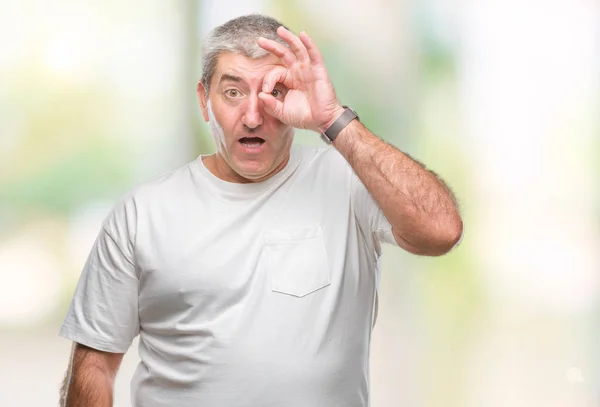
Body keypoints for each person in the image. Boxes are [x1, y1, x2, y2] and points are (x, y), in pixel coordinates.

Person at [59, 14, 463, 407]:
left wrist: (333, 119)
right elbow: (94, 365)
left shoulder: (349, 183)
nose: (252, 116)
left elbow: (441, 230)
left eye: (273, 93)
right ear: (205, 101)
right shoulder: (142, 214)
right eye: (232, 92)